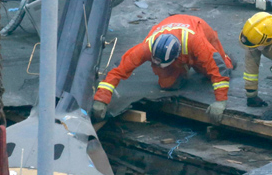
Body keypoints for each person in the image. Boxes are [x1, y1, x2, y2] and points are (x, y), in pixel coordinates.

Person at [92, 14, 233, 124]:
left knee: (222, 68)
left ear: (176, 56)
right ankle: (182, 71)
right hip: (175, 44)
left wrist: (220, 101)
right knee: (168, 84)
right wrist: (101, 99)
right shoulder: (146, 48)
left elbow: (217, 68)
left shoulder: (198, 43)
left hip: (198, 27)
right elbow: (118, 69)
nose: (157, 67)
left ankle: (220, 60)